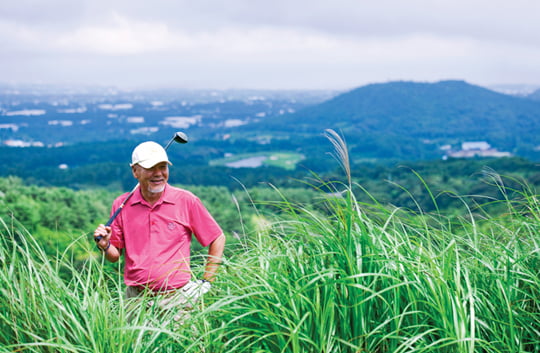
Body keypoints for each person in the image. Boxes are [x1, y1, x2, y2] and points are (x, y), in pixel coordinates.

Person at [93, 140, 226, 307]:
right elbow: (114, 256)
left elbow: (217, 238)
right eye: (150, 168)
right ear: (135, 171)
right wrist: (104, 245)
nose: (158, 174)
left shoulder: (186, 200)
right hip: (135, 299)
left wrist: (207, 282)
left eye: (163, 167)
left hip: (179, 298)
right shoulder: (121, 204)